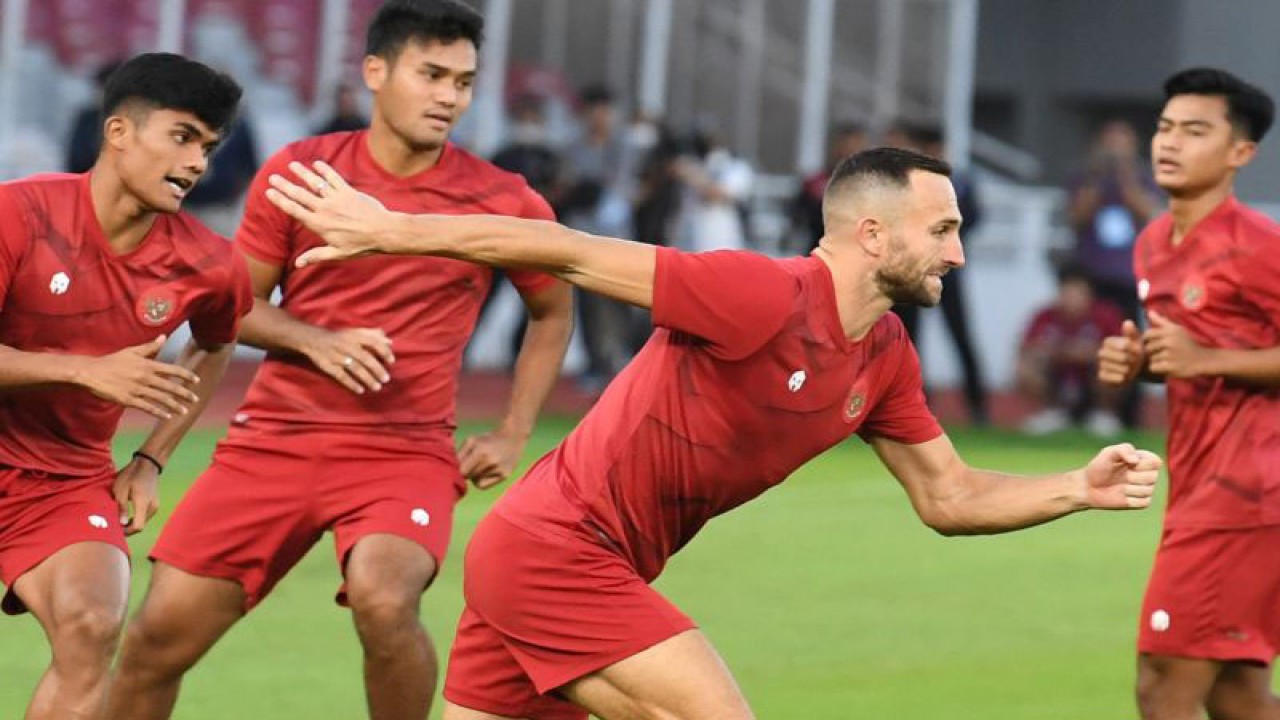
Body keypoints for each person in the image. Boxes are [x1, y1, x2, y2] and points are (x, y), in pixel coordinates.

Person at [267, 146, 1163, 720]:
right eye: (945, 230)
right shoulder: (759, 294)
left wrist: (1075, 489)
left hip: (578, 565)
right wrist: (395, 229)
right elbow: (567, 250)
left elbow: (950, 494)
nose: (959, 254)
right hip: (557, 550)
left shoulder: (883, 354)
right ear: (872, 232)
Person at [105, 2, 573, 719]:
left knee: (386, 602)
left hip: (404, 452)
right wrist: (314, 339)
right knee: (155, 640)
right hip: (274, 443)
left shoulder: (501, 200)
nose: (449, 96)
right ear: (376, 73)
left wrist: (513, 430)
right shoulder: (302, 172)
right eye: (432, 74)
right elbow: (232, 310)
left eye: (465, 81)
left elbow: (552, 311)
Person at [0, 52, 249, 720]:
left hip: (63, 480)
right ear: (118, 134)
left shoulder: (211, 265)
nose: (198, 162)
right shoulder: (17, 214)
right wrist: (82, 368)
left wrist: (149, 459)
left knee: (92, 624)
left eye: (209, 146)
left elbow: (217, 346)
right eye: (182, 136)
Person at [1096, 67, 1280, 720]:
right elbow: (1191, 356)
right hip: (1200, 484)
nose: (1170, 143)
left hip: (1249, 494)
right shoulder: (1154, 244)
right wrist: (1142, 362)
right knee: (1236, 694)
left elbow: (1207, 357)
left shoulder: (1259, 248)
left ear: (1240, 153)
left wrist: (1206, 358)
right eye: (1166, 127)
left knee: (1162, 681)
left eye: (1196, 131)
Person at [887, 122, 990, 426]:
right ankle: (917, 403)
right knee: (909, 339)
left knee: (959, 335)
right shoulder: (908, 183)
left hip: (946, 269)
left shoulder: (958, 181)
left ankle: (977, 405)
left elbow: (971, 217)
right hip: (913, 269)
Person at [1068, 118, 1162, 428]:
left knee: (1128, 344)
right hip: (1090, 277)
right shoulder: (1085, 179)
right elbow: (1077, 217)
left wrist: (1125, 178)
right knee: (1089, 343)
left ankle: (1126, 415)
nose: (1115, 150)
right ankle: (1082, 411)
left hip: (1126, 278)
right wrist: (1098, 178)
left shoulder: (1142, 179)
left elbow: (1147, 214)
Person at [1017, 264, 1124, 436]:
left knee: (1113, 364)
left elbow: (1122, 350)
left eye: (1078, 293)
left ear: (1089, 294)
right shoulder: (1045, 316)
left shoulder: (1106, 315)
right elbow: (1027, 348)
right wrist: (1058, 352)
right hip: (1057, 378)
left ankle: (1103, 415)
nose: (1072, 299)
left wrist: (1089, 353)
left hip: (1091, 379)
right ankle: (1052, 414)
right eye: (1068, 293)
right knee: (1027, 366)